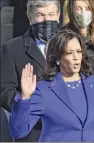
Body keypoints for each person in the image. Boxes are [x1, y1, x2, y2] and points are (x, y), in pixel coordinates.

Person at [8, 30, 94, 142]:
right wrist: (24, 98)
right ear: (57, 59)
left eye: (79, 51)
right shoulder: (44, 89)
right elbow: (18, 131)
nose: (76, 57)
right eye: (70, 53)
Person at [0, 0, 60, 141]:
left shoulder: (71, 45)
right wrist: (35, 110)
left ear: (58, 16)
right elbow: (5, 92)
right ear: (30, 17)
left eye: (51, 14)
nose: (46, 20)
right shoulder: (12, 49)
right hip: (32, 132)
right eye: (40, 15)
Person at [61, 0, 94, 102]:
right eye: (78, 9)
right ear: (71, 11)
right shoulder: (61, 38)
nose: (83, 13)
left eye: (87, 8)